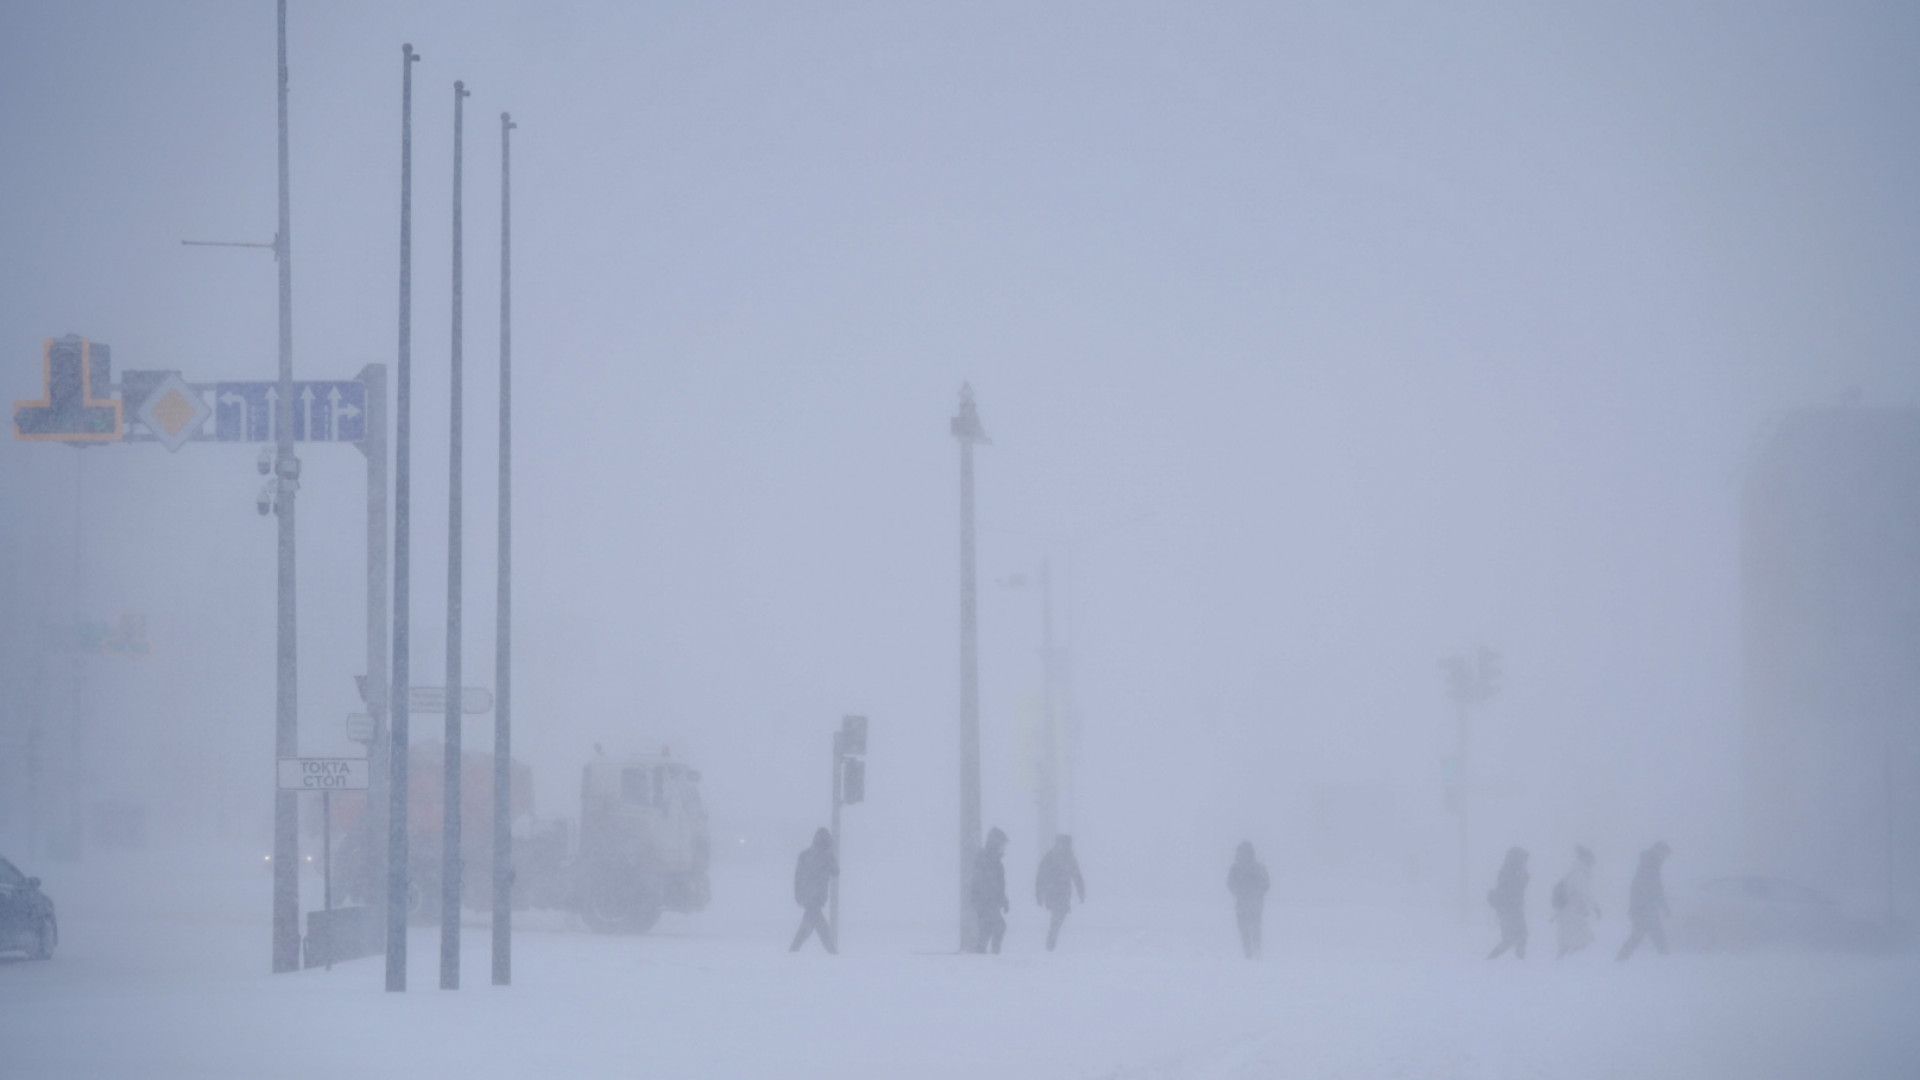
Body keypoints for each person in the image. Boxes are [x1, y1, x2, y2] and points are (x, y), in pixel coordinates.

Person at [1616, 841, 1672, 961]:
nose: (1665, 857)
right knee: (1652, 936)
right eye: (1665, 854)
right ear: (1658, 851)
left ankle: (1621, 958)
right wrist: (1661, 906)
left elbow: (1655, 888)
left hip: (1645, 908)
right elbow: (1653, 888)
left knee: (1641, 935)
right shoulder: (1649, 865)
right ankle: (1666, 961)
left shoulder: (1650, 864)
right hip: (1645, 908)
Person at [789, 827, 838, 954]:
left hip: (807, 895)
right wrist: (831, 854)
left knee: (808, 926)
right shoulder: (826, 856)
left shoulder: (804, 855)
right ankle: (832, 952)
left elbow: (797, 876)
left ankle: (793, 950)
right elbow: (836, 871)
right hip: (816, 897)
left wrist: (798, 895)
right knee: (821, 926)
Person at [1035, 835, 1086, 951]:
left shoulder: (1067, 857)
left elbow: (1077, 876)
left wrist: (1081, 891)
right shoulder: (1052, 857)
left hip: (1061, 893)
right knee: (1058, 917)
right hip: (1054, 892)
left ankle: (1051, 943)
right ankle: (1050, 944)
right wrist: (1039, 893)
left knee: (1058, 917)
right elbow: (1041, 876)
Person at [1552, 845, 1600, 958]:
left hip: (1567, 911)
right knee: (1583, 940)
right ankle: (1566, 964)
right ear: (1586, 860)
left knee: (1568, 941)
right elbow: (1585, 894)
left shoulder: (1573, 872)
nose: (1592, 864)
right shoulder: (1579, 874)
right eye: (1591, 860)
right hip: (1572, 912)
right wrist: (1595, 907)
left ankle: (1560, 964)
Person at [969, 827, 1010, 954]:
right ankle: (993, 954)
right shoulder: (986, 859)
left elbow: (998, 884)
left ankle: (981, 953)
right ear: (995, 843)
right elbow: (984, 882)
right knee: (998, 926)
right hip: (985, 901)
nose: (1004, 848)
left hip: (987, 901)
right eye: (1002, 844)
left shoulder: (994, 860)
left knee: (986, 928)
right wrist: (991, 899)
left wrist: (1003, 899)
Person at [1226, 841, 1271, 959]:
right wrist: (1238, 893)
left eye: (1243, 852)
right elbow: (1230, 883)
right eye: (1240, 853)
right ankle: (1248, 954)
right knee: (1243, 930)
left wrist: (1255, 893)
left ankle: (1257, 952)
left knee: (1255, 928)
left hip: (1255, 905)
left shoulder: (1258, 867)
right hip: (1242, 904)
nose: (1241, 855)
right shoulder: (1235, 868)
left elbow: (1266, 884)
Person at [1486, 847, 1530, 959]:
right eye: (1524, 859)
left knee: (1516, 937)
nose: (1525, 862)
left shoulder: (1511, 870)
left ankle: (1494, 958)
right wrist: (1524, 878)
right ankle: (1492, 959)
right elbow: (1513, 890)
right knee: (1516, 937)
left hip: (1509, 908)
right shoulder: (1511, 871)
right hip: (1510, 908)